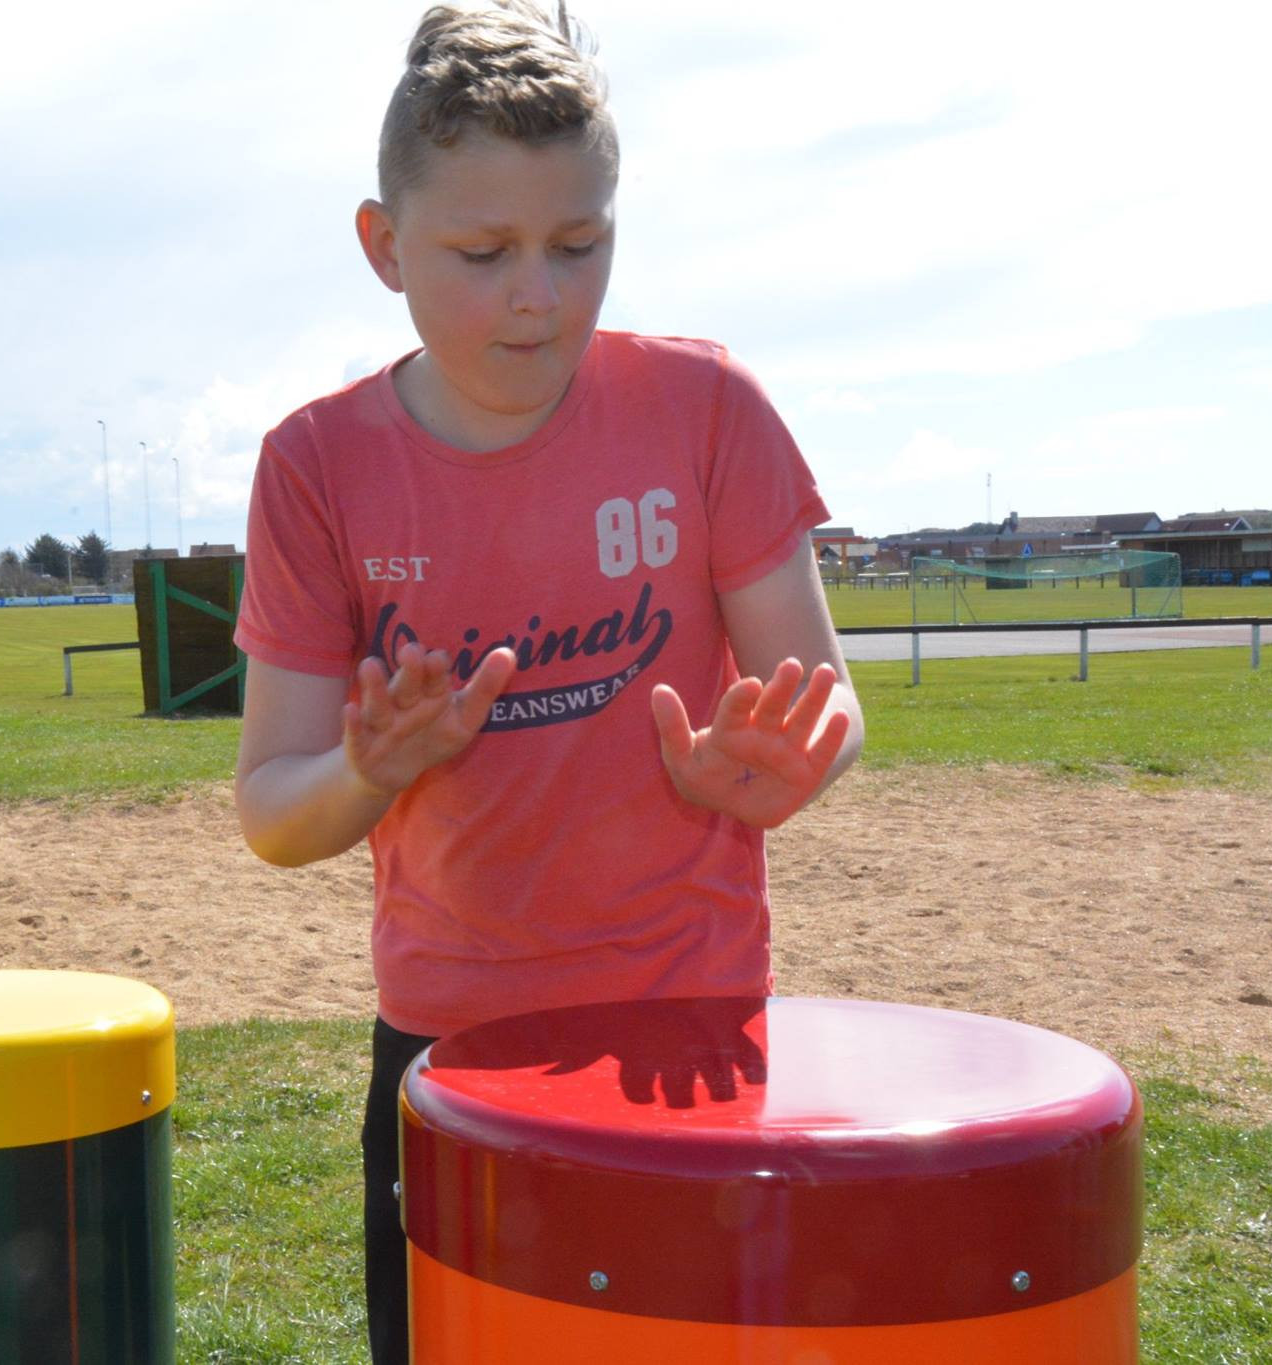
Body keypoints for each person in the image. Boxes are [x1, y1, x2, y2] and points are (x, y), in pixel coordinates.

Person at [229, 4, 863, 1360]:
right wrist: (371, 768)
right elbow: (275, 813)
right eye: (485, 251)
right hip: (450, 1054)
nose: (543, 294)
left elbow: (825, 698)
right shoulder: (315, 468)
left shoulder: (707, 410)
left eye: (582, 245)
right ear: (382, 246)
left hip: (691, 1032)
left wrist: (790, 760)